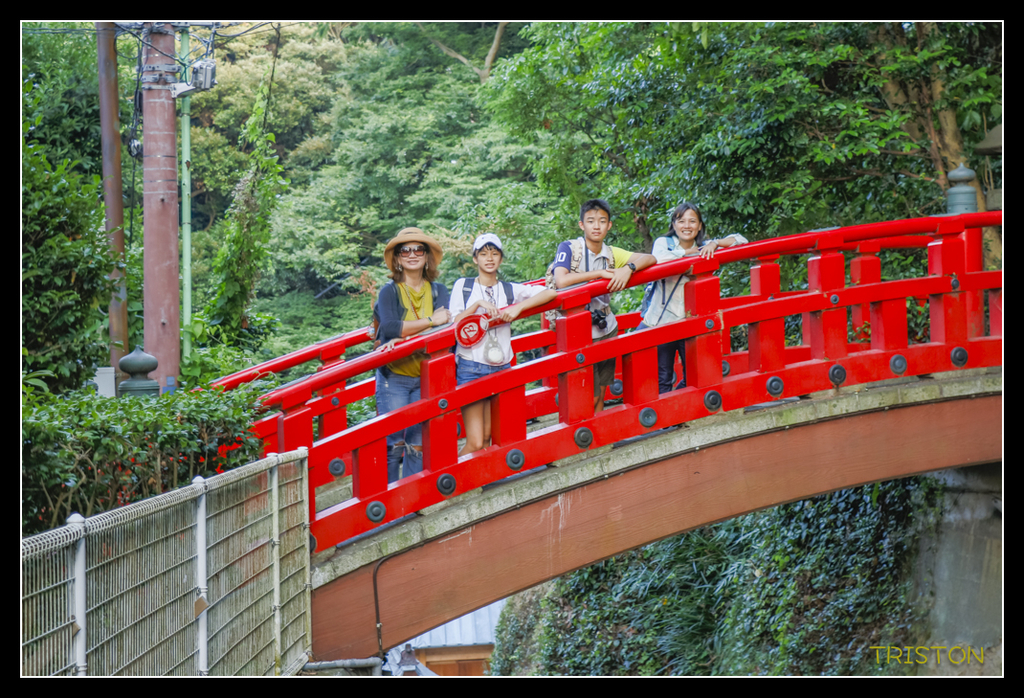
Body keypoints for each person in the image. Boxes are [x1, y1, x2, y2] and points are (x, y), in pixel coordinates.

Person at [450, 233, 556, 455]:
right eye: (483, 254)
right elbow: (454, 322)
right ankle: (452, 477)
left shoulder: (509, 289)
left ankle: (479, 477)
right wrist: (478, 304)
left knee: (488, 438)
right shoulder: (464, 286)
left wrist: (518, 307)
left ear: (501, 258)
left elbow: (550, 292)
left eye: (494, 253)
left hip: (501, 367)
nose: (489, 258)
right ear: (475, 258)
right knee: (475, 442)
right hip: (471, 366)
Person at [550, 199, 656, 411]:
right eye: (591, 221)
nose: (596, 226)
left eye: (602, 221)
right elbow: (561, 280)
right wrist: (598, 274)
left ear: (609, 225)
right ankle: (587, 430)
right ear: (582, 225)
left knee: (600, 392)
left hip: (606, 327)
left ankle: (598, 430)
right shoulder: (569, 248)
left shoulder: (611, 253)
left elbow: (650, 258)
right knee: (589, 394)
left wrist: (628, 268)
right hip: (578, 331)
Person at [641, 202, 748, 393]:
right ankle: (667, 411)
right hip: (661, 321)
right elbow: (658, 260)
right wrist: (687, 254)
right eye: (681, 221)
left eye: (692, 221)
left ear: (699, 226)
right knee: (662, 378)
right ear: (674, 224)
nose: (687, 226)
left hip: (690, 323)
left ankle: (678, 403)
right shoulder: (663, 243)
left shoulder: (705, 247)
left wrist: (716, 243)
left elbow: (742, 241)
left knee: (694, 376)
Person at [375, 227, 451, 483]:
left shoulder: (438, 290)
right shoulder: (389, 291)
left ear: (427, 256)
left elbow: (444, 327)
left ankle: (410, 498)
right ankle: (388, 499)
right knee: (393, 443)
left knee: (417, 443)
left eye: (418, 249)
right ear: (397, 258)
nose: (412, 254)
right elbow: (390, 328)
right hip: (394, 376)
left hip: (426, 376)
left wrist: (407, 334)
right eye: (404, 250)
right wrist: (430, 321)